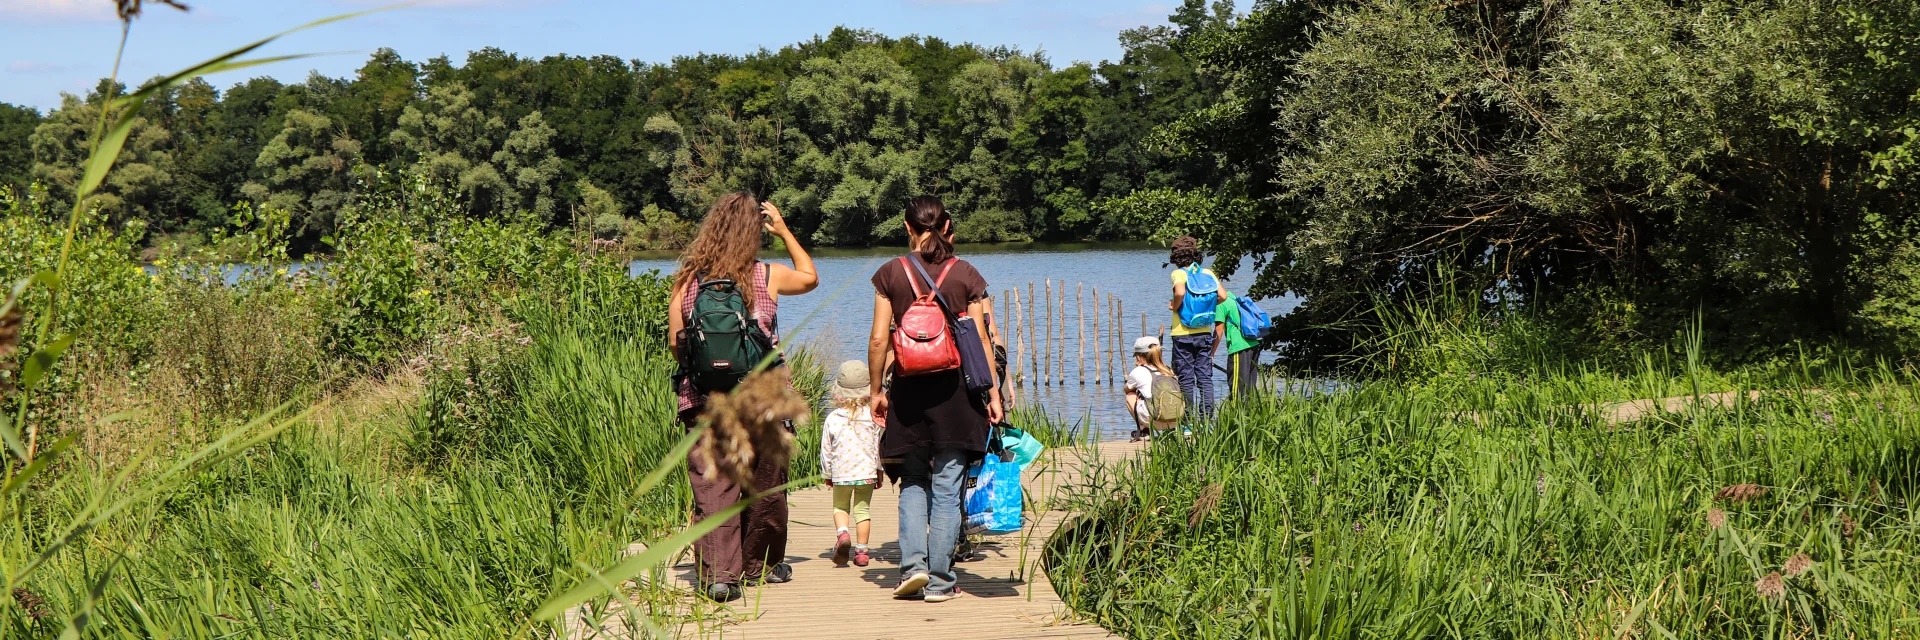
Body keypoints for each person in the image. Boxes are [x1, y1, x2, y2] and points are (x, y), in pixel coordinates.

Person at [666, 193, 818, 603]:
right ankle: (760, 566)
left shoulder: (686, 282)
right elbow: (810, 277)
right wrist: (784, 231)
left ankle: (720, 577)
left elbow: (677, 344)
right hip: (764, 396)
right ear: (754, 232)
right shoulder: (766, 275)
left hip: (705, 397)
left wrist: (709, 371)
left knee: (714, 486)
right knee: (766, 483)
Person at [867, 196, 1002, 603]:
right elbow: (982, 340)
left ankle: (913, 569)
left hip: (909, 394)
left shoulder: (891, 272)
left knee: (913, 481)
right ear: (946, 227)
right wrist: (992, 394)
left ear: (907, 227)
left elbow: (878, 340)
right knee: (947, 487)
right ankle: (942, 582)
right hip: (958, 396)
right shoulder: (966, 274)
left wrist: (876, 391)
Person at [821, 360, 882, 568]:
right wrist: (879, 470)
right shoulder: (872, 417)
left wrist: (827, 473)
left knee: (840, 506)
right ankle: (862, 552)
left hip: (841, 473)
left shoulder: (832, 418)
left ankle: (843, 534)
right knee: (863, 511)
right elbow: (878, 447)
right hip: (866, 472)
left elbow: (826, 450)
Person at [1165, 236, 1225, 419]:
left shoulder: (1179, 274)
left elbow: (1180, 292)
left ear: (1176, 256)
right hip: (1204, 332)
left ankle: (1188, 420)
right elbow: (1222, 296)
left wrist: (1175, 306)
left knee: (1186, 378)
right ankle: (1207, 419)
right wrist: (1207, 306)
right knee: (1205, 377)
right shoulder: (1207, 272)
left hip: (1182, 333)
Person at [1124, 336, 1181, 441]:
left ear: (1138, 356)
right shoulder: (1169, 370)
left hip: (1153, 420)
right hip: (1175, 419)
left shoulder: (1139, 371)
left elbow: (1126, 389)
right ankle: (1170, 430)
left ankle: (1144, 431)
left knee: (1130, 395)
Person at [1214, 289, 1263, 398]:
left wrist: (1211, 353)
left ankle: (1236, 409)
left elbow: (1218, 331)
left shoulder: (1221, 304)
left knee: (1237, 388)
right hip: (1253, 344)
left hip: (1239, 347)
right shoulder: (1233, 297)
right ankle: (1250, 408)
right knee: (1249, 386)